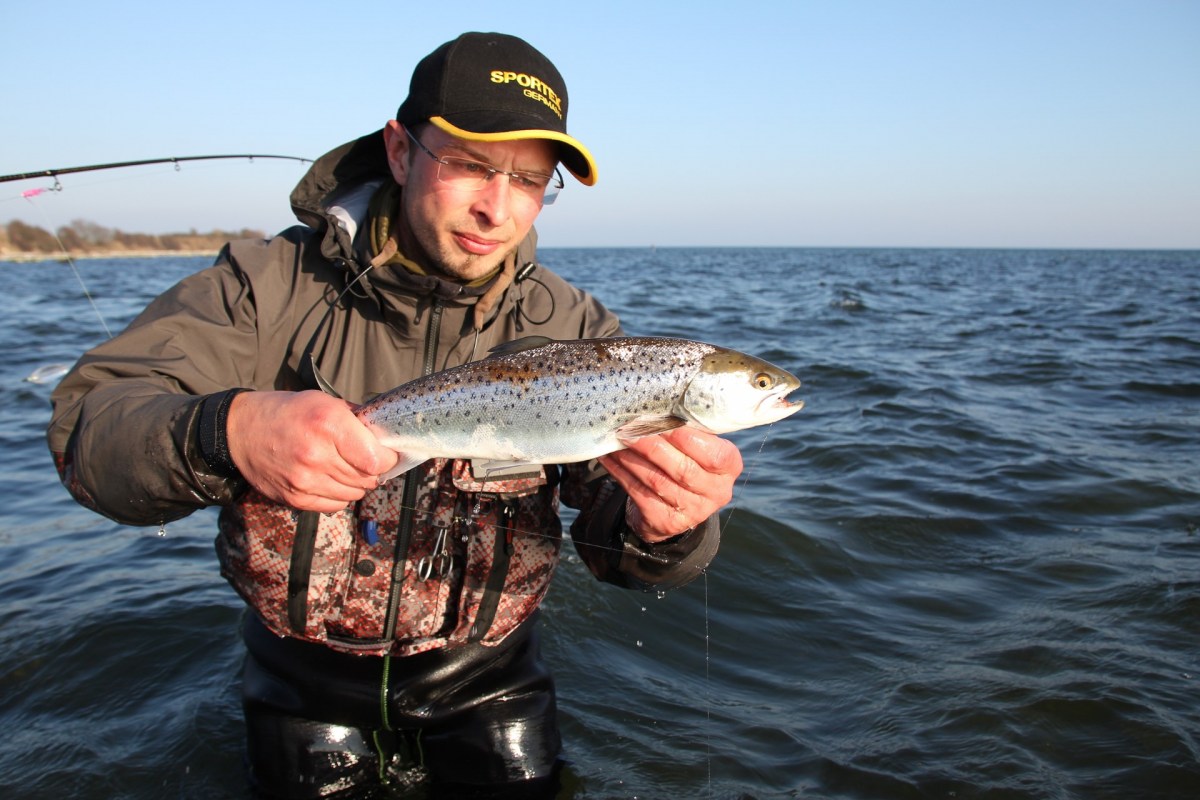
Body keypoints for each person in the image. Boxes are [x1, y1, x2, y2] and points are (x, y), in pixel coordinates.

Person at [47, 32, 742, 799]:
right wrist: (229, 430)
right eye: (470, 165)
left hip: (493, 688)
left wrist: (671, 527)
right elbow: (88, 430)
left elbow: (622, 553)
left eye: (529, 181)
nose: (496, 207)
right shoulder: (261, 288)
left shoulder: (580, 332)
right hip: (298, 692)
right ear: (401, 152)